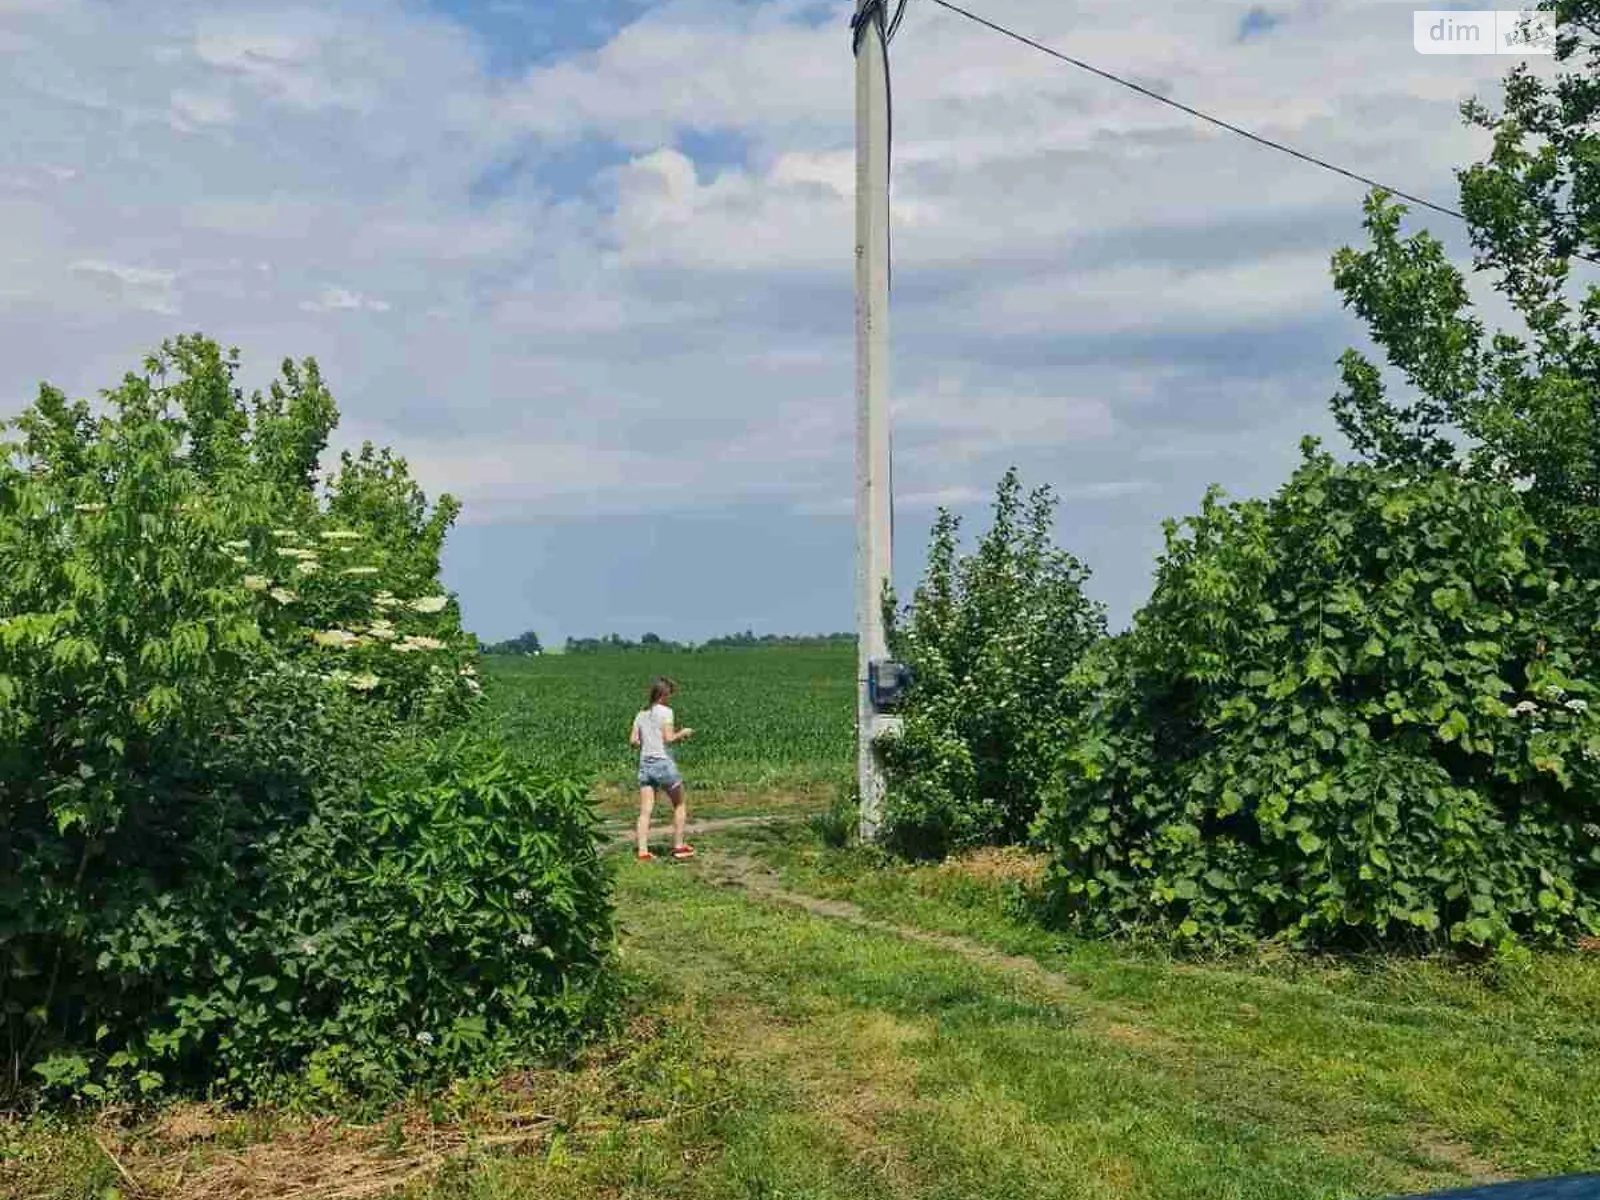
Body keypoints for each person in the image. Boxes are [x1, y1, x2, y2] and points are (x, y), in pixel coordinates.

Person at [630, 676, 695, 861]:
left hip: (645, 764)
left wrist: (648, 739)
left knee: (645, 810)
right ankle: (679, 846)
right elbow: (669, 738)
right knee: (679, 803)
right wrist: (684, 733)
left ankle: (642, 851)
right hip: (663, 763)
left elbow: (633, 741)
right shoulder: (666, 712)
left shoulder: (641, 714)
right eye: (670, 694)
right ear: (664, 694)